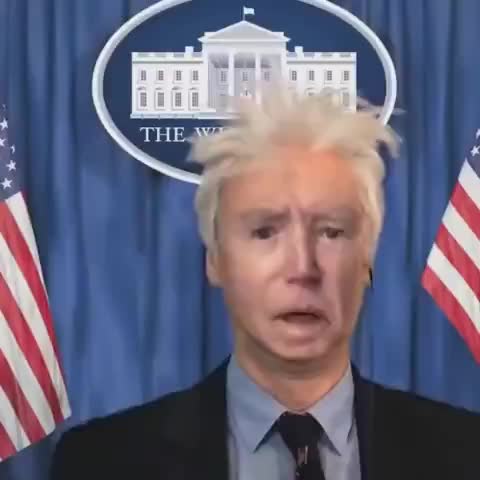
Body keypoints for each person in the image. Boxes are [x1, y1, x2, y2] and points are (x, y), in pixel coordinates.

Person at [51, 89, 480, 480]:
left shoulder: (465, 455)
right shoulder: (101, 463)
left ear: (367, 256)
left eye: (331, 232)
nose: (303, 267)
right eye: (264, 232)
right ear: (215, 259)